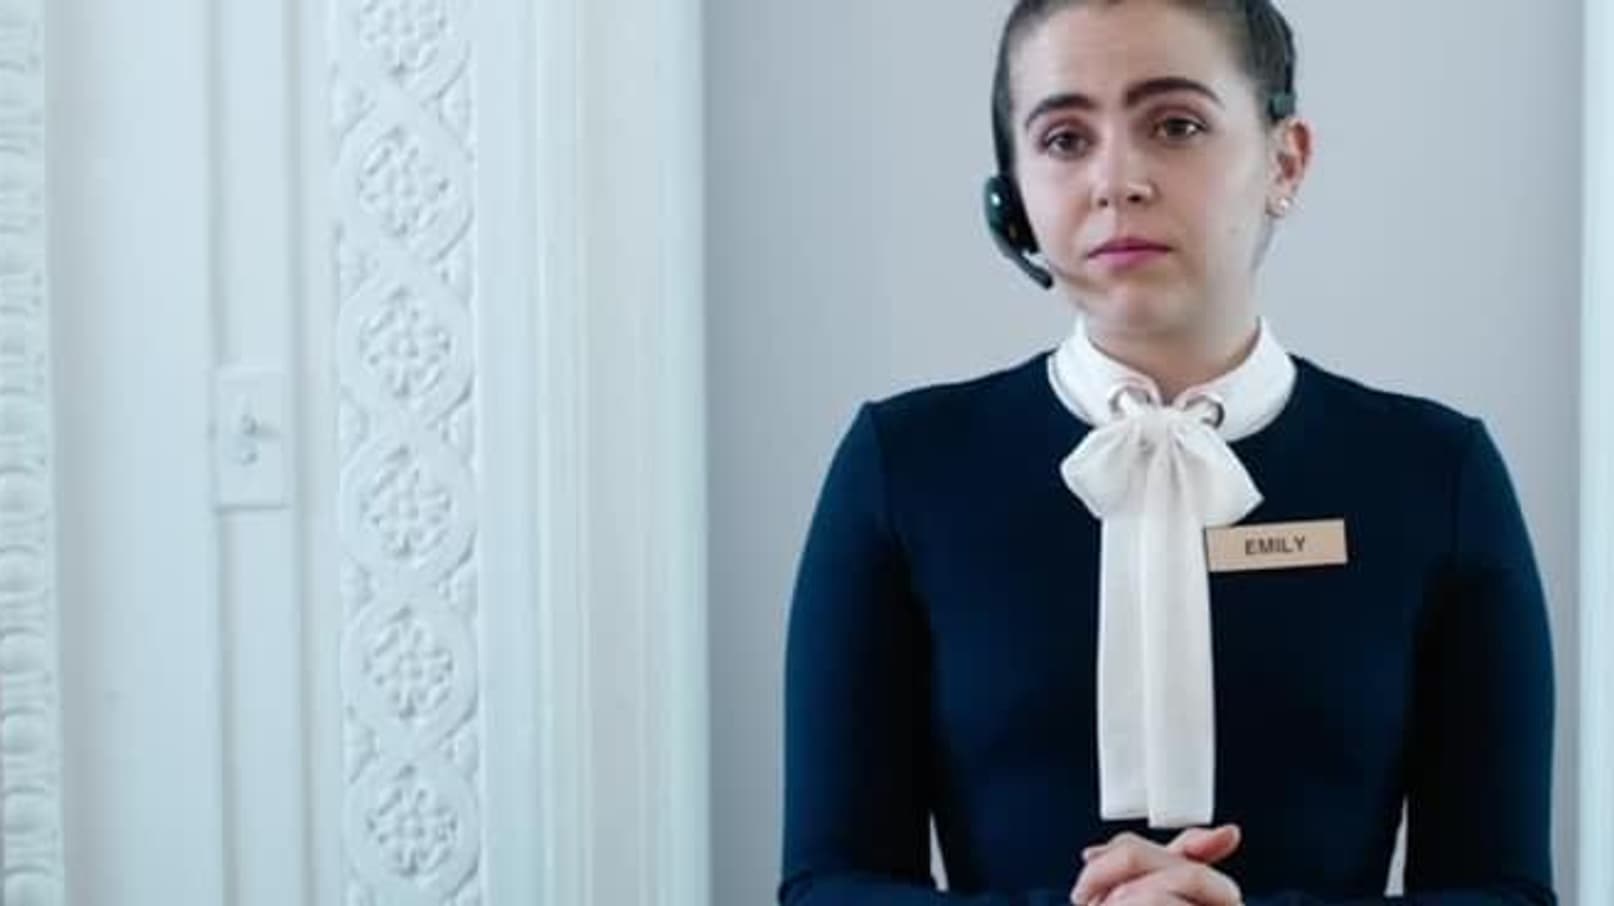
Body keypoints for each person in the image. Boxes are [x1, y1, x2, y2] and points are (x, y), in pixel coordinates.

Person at [777, 1, 1557, 904]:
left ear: (1285, 160)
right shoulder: (902, 468)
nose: (1117, 181)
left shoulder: (1436, 475)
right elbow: (828, 884)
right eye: (1065, 139)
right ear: (1012, 195)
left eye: (1176, 125)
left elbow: (1504, 891)